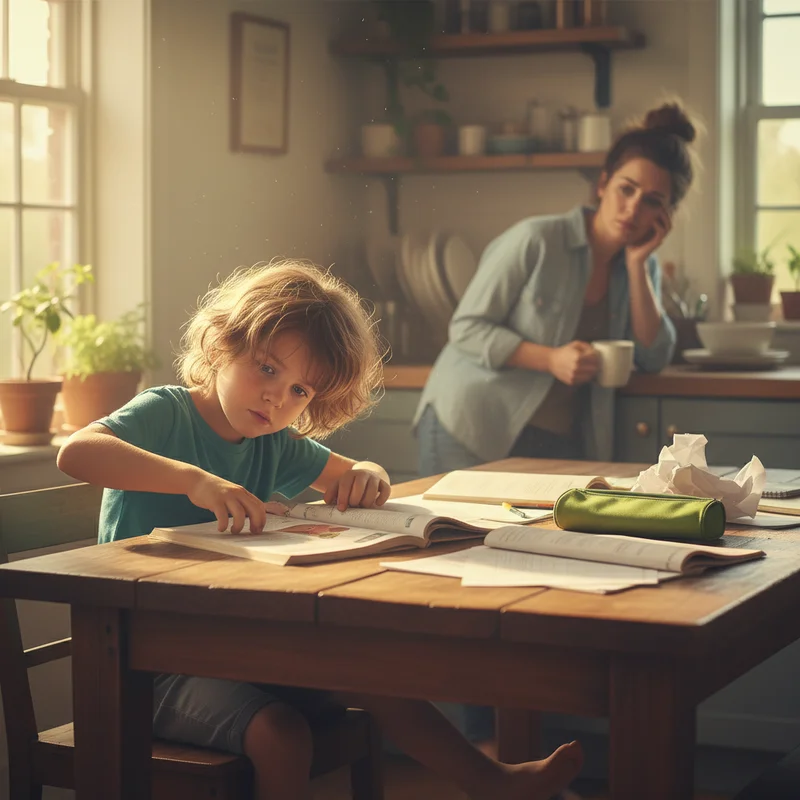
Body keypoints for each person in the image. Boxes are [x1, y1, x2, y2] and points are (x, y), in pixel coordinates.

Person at [57, 260, 583, 800]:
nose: (276, 399)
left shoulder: (271, 440)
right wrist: (195, 482)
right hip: (148, 667)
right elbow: (76, 452)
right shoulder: (166, 413)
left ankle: (494, 782)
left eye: (300, 391)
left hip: (233, 647)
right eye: (266, 370)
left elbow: (354, 470)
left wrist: (367, 476)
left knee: (373, 673)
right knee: (284, 737)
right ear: (222, 343)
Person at [414, 102, 697, 742]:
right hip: (470, 424)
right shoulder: (536, 239)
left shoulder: (640, 266)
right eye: (626, 189)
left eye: (652, 200)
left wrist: (635, 266)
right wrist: (549, 357)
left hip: (551, 444)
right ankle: (480, 756)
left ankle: (521, 752)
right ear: (603, 183)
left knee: (540, 594)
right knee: (469, 589)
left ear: (665, 214)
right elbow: (466, 328)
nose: (632, 208)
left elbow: (654, 353)